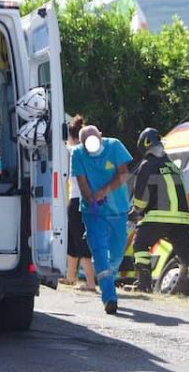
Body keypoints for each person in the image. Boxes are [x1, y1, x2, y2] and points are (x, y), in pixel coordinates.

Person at [128, 128, 189, 295]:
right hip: (182, 220)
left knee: (140, 244)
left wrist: (136, 211)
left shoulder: (147, 166)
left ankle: (143, 285)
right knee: (188, 256)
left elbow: (141, 198)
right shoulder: (173, 166)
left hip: (160, 217)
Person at [70, 125, 132, 314]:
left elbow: (123, 173)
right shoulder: (78, 154)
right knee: (99, 250)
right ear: (81, 144)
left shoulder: (115, 146)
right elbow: (81, 181)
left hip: (117, 210)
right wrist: (90, 197)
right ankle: (109, 296)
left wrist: (104, 191)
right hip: (93, 212)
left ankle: (108, 277)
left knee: (116, 251)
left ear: (101, 136)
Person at [59, 115, 97, 292]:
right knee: (73, 239)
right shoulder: (90, 153)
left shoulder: (76, 152)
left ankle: (90, 282)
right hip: (83, 200)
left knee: (80, 240)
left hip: (77, 200)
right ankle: (70, 276)